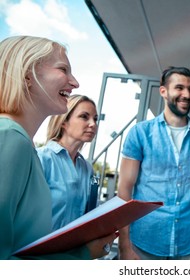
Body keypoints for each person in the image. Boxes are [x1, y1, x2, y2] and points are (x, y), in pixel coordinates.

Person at [0, 35, 116, 260]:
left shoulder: (23, 144)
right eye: (63, 69)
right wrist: (81, 255)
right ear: (28, 74)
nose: (75, 82)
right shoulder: (10, 139)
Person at [118, 66, 190, 260]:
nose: (187, 94)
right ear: (163, 91)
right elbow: (124, 188)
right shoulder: (140, 133)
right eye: (179, 88)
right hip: (145, 238)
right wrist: (123, 243)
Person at [37, 94, 99, 231]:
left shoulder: (87, 168)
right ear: (63, 121)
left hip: (73, 249)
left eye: (95, 119)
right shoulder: (41, 159)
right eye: (84, 116)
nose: (93, 124)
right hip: (38, 249)